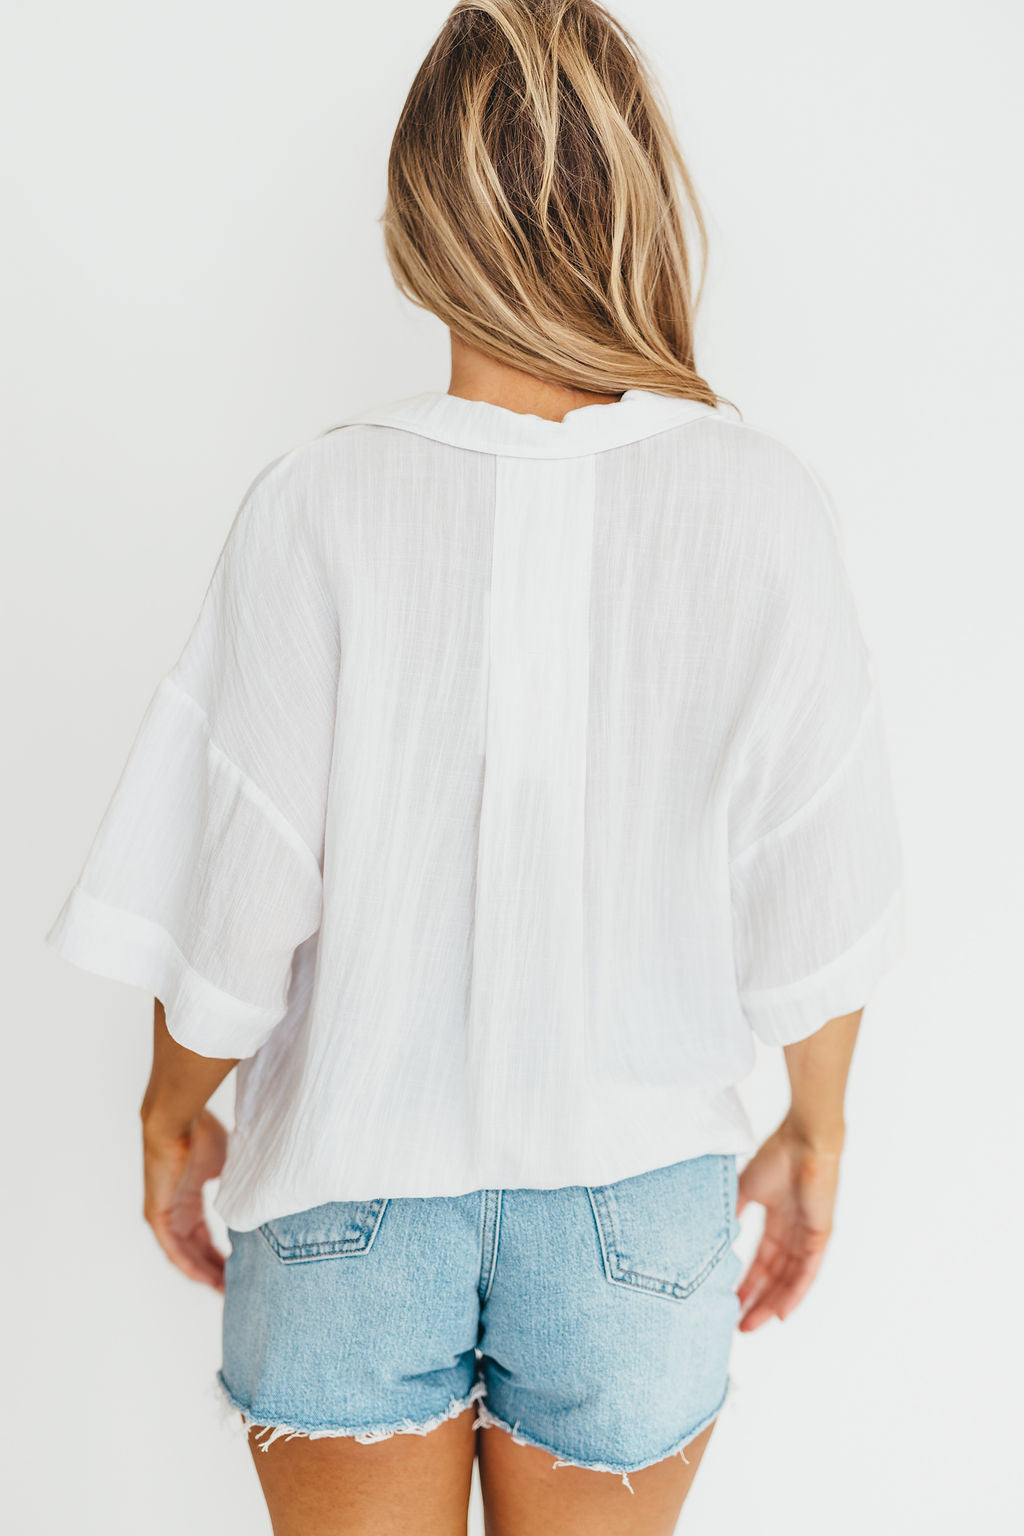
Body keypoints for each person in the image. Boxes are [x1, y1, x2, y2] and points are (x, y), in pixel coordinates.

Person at [44, 1, 904, 1532]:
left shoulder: (318, 504)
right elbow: (815, 889)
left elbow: (242, 901)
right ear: (641, 203)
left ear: (412, 225)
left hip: (348, 1194)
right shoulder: (761, 506)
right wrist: (815, 1135)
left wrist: (172, 1109)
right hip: (636, 1215)